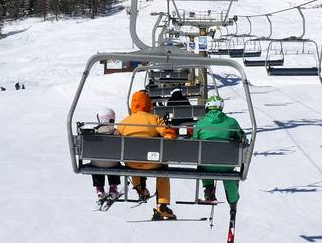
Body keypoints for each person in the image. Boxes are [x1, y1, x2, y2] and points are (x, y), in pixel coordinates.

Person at [117, 90, 179, 220]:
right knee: (163, 171)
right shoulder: (154, 119)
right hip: (152, 163)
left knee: (132, 160)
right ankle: (163, 205)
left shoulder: (125, 122)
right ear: (148, 104)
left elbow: (115, 139)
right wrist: (169, 136)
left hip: (132, 163)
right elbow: (168, 133)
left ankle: (140, 188)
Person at [193, 94, 246, 207]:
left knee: (202, 163)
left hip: (206, 164)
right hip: (226, 164)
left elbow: (194, 142)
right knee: (229, 174)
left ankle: (209, 190)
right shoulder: (231, 122)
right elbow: (242, 138)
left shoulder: (200, 123)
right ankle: (233, 202)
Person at [90, 108, 121, 204]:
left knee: (96, 163)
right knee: (114, 163)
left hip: (96, 164)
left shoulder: (94, 132)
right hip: (113, 164)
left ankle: (100, 190)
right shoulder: (116, 132)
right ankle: (113, 189)